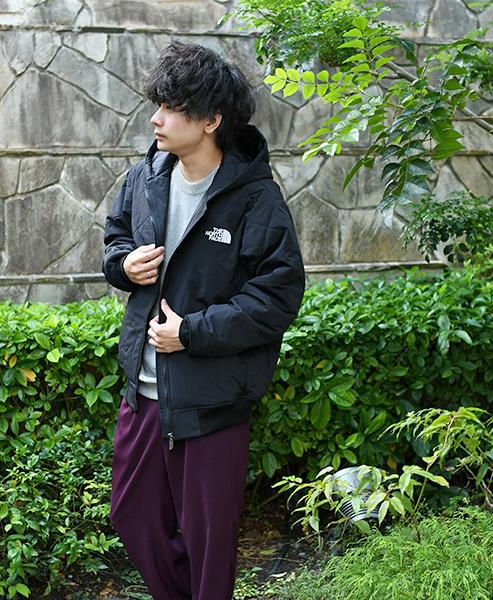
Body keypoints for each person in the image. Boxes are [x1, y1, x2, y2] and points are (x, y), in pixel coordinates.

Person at [102, 41, 305, 600]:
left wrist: (191, 333)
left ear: (211, 120)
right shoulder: (145, 177)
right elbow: (115, 237)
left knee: (209, 541)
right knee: (132, 514)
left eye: (171, 108)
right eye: (158, 104)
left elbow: (277, 297)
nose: (156, 118)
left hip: (212, 400)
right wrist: (123, 264)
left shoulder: (256, 199)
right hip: (144, 393)